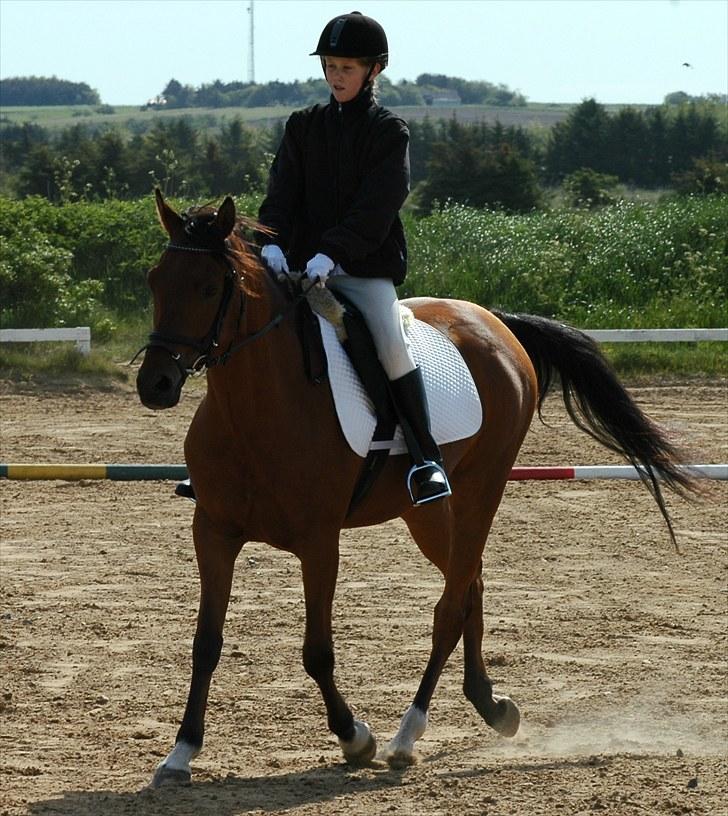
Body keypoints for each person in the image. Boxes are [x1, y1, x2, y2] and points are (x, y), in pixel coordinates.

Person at [257, 11, 451, 505]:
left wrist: (332, 254)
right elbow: (281, 192)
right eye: (331, 65)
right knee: (242, 328)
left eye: (347, 67)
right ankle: (228, 457)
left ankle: (426, 460)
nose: (336, 76)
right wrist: (272, 241)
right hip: (297, 268)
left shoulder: (389, 132)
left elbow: (378, 206)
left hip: (361, 269)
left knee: (390, 344)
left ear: (373, 71)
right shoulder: (303, 127)